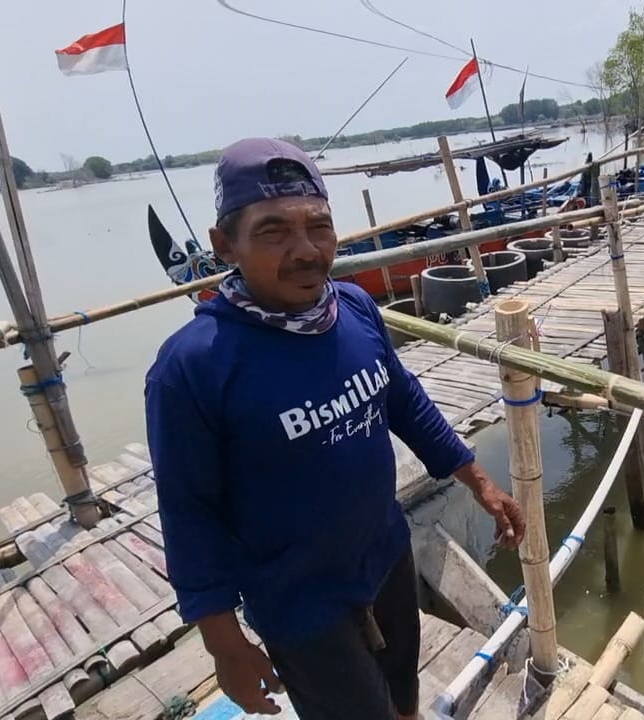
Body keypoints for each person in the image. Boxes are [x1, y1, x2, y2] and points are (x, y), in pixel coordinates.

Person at [145, 137, 526, 720]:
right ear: (225, 245)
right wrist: (225, 645)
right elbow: (189, 516)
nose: (305, 250)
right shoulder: (192, 368)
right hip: (299, 603)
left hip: (386, 555)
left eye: (318, 227)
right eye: (274, 231)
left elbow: (404, 401)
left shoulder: (352, 307)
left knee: (404, 699)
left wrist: (479, 480)